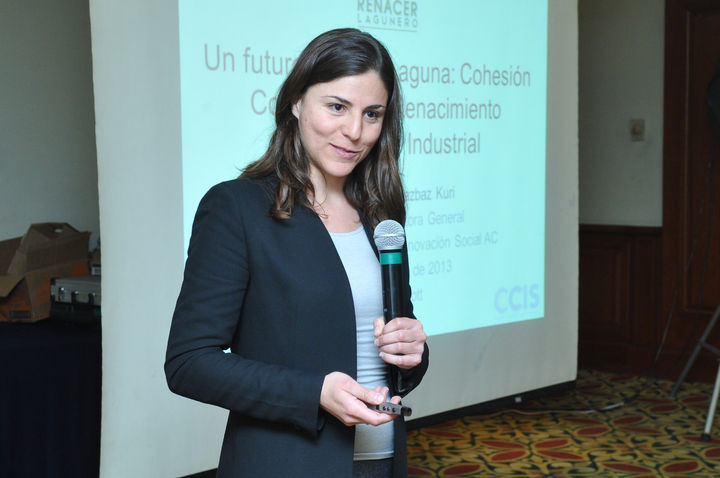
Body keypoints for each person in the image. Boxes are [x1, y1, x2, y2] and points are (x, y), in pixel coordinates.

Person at [165, 28, 429, 478]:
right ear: (295, 102)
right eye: (337, 107)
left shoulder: (380, 213)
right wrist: (314, 393)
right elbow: (188, 363)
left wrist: (413, 351)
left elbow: (393, 354)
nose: (354, 131)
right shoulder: (237, 208)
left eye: (372, 114)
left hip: (381, 463)